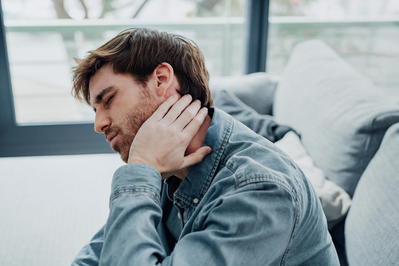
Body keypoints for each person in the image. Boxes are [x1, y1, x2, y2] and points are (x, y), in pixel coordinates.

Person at [70, 28, 339, 265]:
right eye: (95, 109)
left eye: (108, 99)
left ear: (161, 79)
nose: (99, 124)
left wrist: (140, 170)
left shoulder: (259, 191)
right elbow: (106, 250)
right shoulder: (167, 160)